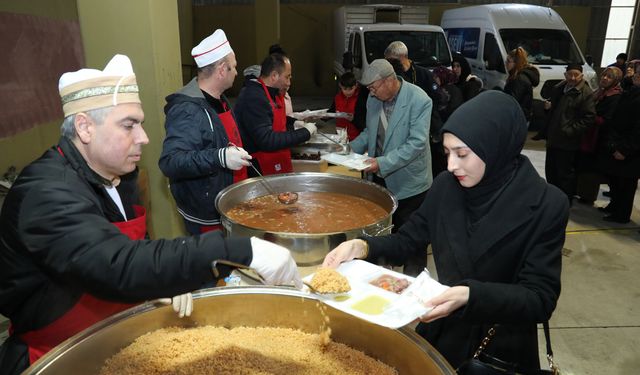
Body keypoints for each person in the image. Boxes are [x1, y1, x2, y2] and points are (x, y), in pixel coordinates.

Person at [0, 54, 301, 374]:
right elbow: (117, 264)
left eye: (140, 123)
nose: (144, 137)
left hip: (116, 335)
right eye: (129, 125)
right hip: (56, 354)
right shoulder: (45, 193)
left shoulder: (121, 175)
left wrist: (166, 278)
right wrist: (243, 250)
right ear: (85, 127)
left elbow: (140, 249)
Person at [323, 90, 569, 371]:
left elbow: (540, 298)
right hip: (442, 330)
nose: (452, 165)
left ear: (495, 145)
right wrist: (363, 247)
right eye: (447, 153)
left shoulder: (546, 205)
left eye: (462, 154)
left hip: (498, 345)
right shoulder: (446, 186)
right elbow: (408, 239)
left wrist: (470, 295)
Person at [159, 29, 251, 235]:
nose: (236, 72)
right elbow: (171, 161)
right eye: (233, 67)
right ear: (221, 70)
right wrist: (220, 157)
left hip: (230, 203)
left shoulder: (220, 99)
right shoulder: (187, 110)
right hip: (207, 214)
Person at [351, 59, 432, 276]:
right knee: (384, 236)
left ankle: (414, 288)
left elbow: (416, 143)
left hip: (410, 185)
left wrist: (383, 162)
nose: (372, 93)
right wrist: (348, 150)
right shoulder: (373, 99)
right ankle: (385, 279)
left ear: (389, 81)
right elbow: (370, 132)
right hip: (379, 179)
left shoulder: (419, 100)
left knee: (413, 241)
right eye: (369, 89)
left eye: (374, 87)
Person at [234, 52, 316, 175]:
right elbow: (266, 140)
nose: (289, 83)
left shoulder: (273, 93)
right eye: (287, 77)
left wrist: (294, 123)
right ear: (274, 76)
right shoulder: (254, 96)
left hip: (276, 160)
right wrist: (305, 133)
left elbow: (270, 118)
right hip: (259, 167)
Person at [544, 63, 596, 205]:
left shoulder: (585, 93)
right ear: (565, 75)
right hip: (554, 138)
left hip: (568, 141)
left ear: (581, 76)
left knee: (565, 174)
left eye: (576, 75)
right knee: (551, 171)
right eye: (570, 74)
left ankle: (565, 201)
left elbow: (589, 118)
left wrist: (570, 131)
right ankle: (553, 199)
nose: (573, 78)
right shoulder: (559, 89)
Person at [596, 61, 640, 223]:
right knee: (616, 181)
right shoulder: (631, 91)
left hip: (630, 150)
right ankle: (614, 206)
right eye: (636, 72)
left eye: (638, 74)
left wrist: (625, 149)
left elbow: (638, 130)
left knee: (626, 184)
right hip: (618, 143)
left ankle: (621, 214)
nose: (635, 75)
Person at [575, 67, 623, 206]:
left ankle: (588, 196)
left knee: (592, 169)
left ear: (616, 81)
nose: (605, 78)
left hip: (599, 138)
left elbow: (608, 119)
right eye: (604, 75)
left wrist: (590, 116)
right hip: (589, 133)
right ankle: (581, 192)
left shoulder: (615, 96)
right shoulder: (599, 92)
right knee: (583, 165)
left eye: (609, 77)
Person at [430, 66, 463, 177]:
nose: (435, 80)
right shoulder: (440, 90)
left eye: (436, 77)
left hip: (447, 132)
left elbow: (451, 110)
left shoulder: (451, 91)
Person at [327, 71, 367, 141]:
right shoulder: (337, 97)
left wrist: (353, 119)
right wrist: (319, 115)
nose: (348, 92)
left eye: (351, 89)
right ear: (340, 86)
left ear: (356, 85)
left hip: (356, 137)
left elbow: (365, 123)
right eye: (345, 89)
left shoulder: (361, 99)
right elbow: (332, 111)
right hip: (340, 135)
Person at [503, 47, 540, 121]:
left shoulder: (519, 79)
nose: (505, 63)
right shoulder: (518, 76)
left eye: (508, 61)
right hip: (520, 116)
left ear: (516, 63)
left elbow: (512, 101)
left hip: (518, 118)